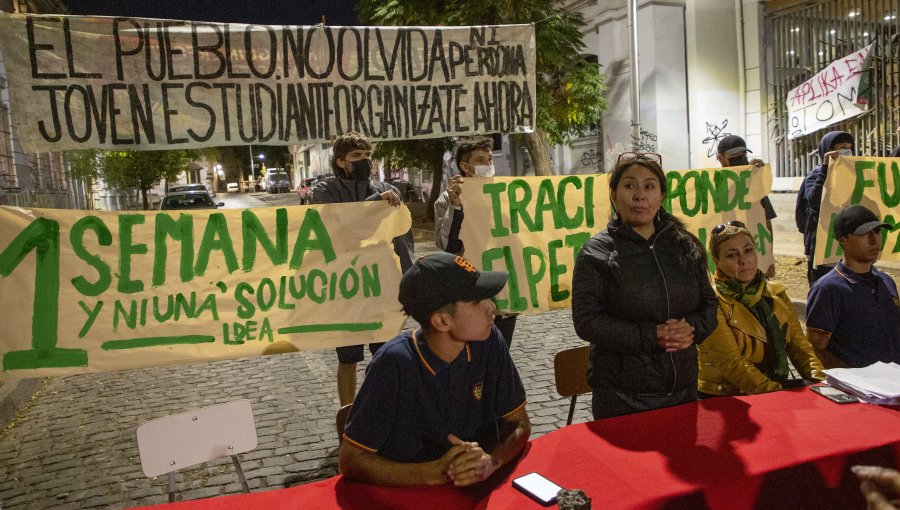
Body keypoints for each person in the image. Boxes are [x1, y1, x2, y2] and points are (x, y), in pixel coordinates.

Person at [338, 253, 530, 486]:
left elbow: (519, 423)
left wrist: (492, 461)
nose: (491, 306)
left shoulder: (489, 342)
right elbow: (350, 460)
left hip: (475, 490)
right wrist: (435, 472)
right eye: (477, 301)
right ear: (442, 322)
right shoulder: (393, 364)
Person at [572, 153, 719, 419]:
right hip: (622, 398)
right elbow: (587, 321)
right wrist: (652, 335)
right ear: (614, 195)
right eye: (630, 186)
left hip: (684, 392)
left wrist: (692, 328)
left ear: (661, 196)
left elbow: (709, 304)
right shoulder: (596, 253)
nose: (640, 195)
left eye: (649, 186)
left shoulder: (684, 245)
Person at [310, 131, 416, 407]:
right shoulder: (324, 190)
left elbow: (401, 239)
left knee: (387, 357)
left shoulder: (383, 187)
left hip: (381, 289)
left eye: (367, 155)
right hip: (345, 289)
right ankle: (346, 415)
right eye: (357, 156)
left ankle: (381, 411)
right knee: (348, 359)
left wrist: (409, 282)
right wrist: (375, 204)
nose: (364, 161)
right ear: (341, 161)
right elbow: (334, 227)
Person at [697, 221, 825, 396]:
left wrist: (820, 383)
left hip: (773, 387)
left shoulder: (775, 293)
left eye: (748, 250)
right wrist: (778, 394)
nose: (743, 260)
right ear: (716, 261)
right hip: (729, 396)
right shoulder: (710, 303)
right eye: (732, 255)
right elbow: (732, 363)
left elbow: (800, 347)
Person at [434, 136, 517, 347]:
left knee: (501, 353)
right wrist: (456, 205)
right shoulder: (445, 200)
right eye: (481, 160)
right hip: (470, 293)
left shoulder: (504, 196)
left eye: (490, 159)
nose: (488, 164)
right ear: (465, 166)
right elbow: (448, 247)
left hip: (503, 291)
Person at [805, 205, 900, 368]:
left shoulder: (886, 281)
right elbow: (816, 349)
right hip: (859, 389)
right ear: (843, 240)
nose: (874, 240)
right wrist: (852, 379)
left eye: (877, 232)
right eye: (864, 233)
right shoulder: (828, 289)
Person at [796, 131, 855, 286]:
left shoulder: (853, 176)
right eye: (842, 147)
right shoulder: (815, 175)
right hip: (823, 247)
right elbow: (814, 202)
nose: (847, 152)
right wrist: (825, 169)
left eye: (849, 148)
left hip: (846, 246)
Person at [715, 135, 777, 277]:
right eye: (734, 155)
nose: (740, 158)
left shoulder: (753, 182)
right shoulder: (713, 184)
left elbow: (766, 223)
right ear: (721, 158)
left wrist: (769, 259)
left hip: (751, 258)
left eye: (743, 155)